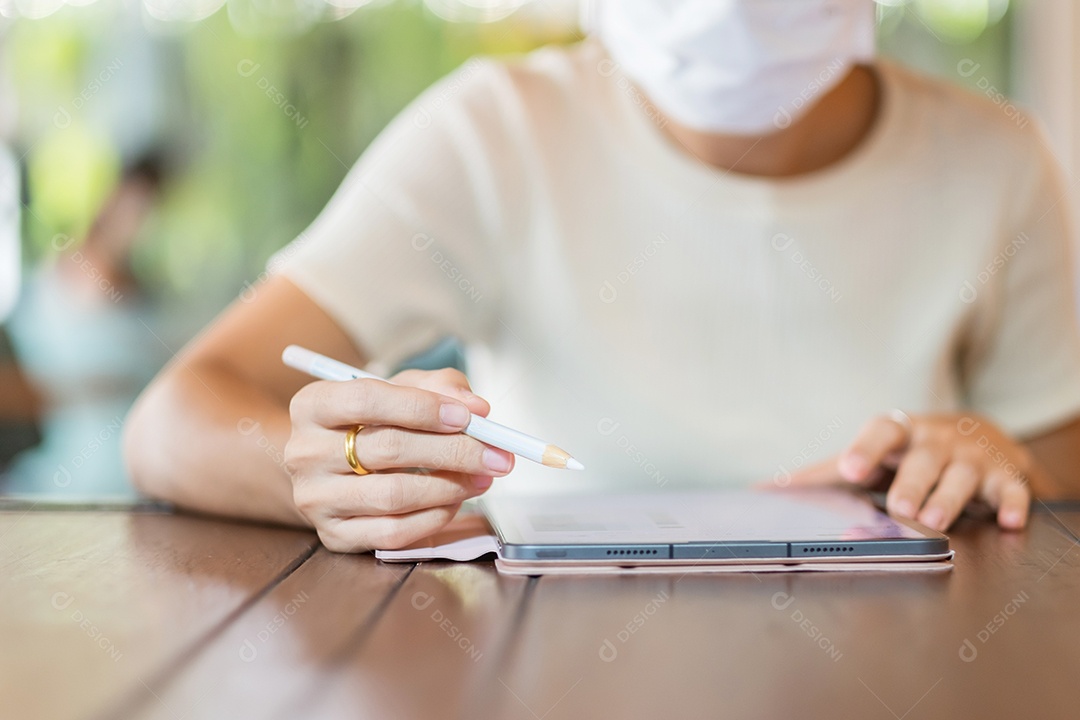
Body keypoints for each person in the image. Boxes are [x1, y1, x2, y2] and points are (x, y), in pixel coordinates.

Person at [125, 0, 1080, 552]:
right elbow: (174, 419)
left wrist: (993, 457)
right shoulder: (495, 133)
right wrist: (330, 476)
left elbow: (1054, 445)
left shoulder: (997, 156)